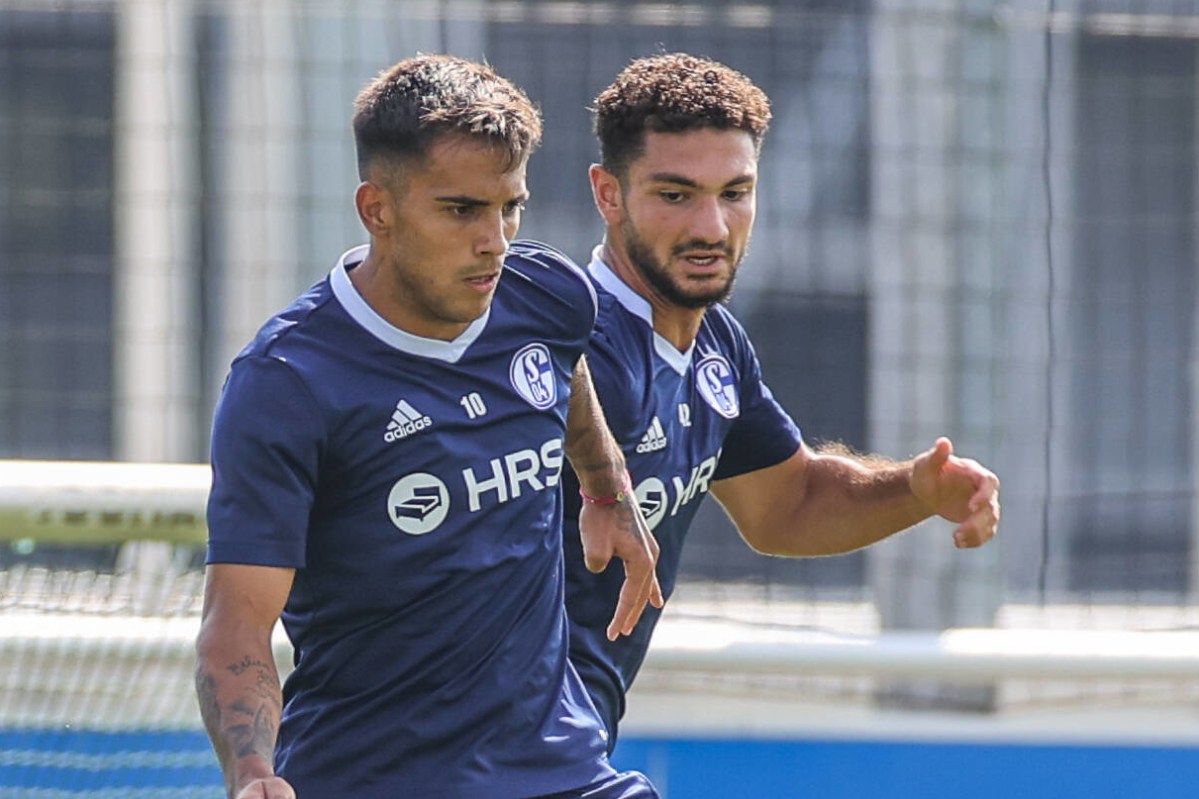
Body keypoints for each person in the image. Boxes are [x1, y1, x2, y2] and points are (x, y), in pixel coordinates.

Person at [194, 54, 664, 799]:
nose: (496, 239)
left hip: (563, 771)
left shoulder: (546, 295)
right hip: (374, 777)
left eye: (510, 206)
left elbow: (561, 364)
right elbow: (238, 625)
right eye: (461, 210)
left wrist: (605, 486)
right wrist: (252, 770)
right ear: (377, 209)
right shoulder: (286, 383)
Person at [560, 52, 1002, 753]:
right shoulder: (555, 347)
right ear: (607, 194)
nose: (711, 227)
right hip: (473, 746)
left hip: (566, 741)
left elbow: (787, 504)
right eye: (674, 195)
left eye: (734, 193)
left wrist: (914, 488)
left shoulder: (714, 348)